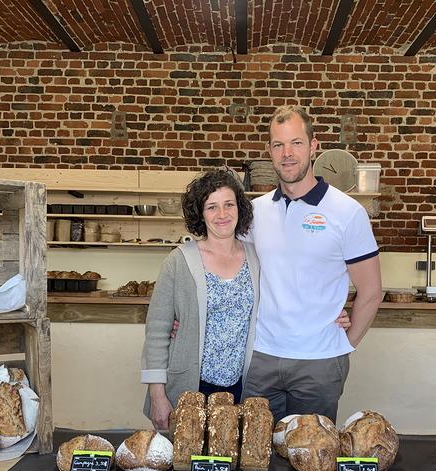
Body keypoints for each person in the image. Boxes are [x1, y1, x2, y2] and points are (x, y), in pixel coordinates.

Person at [242, 105, 383, 423]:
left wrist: (344, 346)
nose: (287, 153)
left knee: (311, 458)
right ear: (269, 151)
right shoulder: (255, 212)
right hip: (260, 357)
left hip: (318, 361)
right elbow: (234, 275)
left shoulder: (347, 212)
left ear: (313, 146)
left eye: (296, 143)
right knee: (255, 456)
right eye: (278, 145)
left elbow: (371, 291)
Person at [141, 169, 259, 430]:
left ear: (240, 208)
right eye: (212, 207)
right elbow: (157, 331)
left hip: (242, 388)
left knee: (232, 461)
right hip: (189, 386)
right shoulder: (179, 261)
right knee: (186, 462)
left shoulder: (256, 258)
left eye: (229, 204)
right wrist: (157, 394)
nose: (222, 214)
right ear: (200, 213)